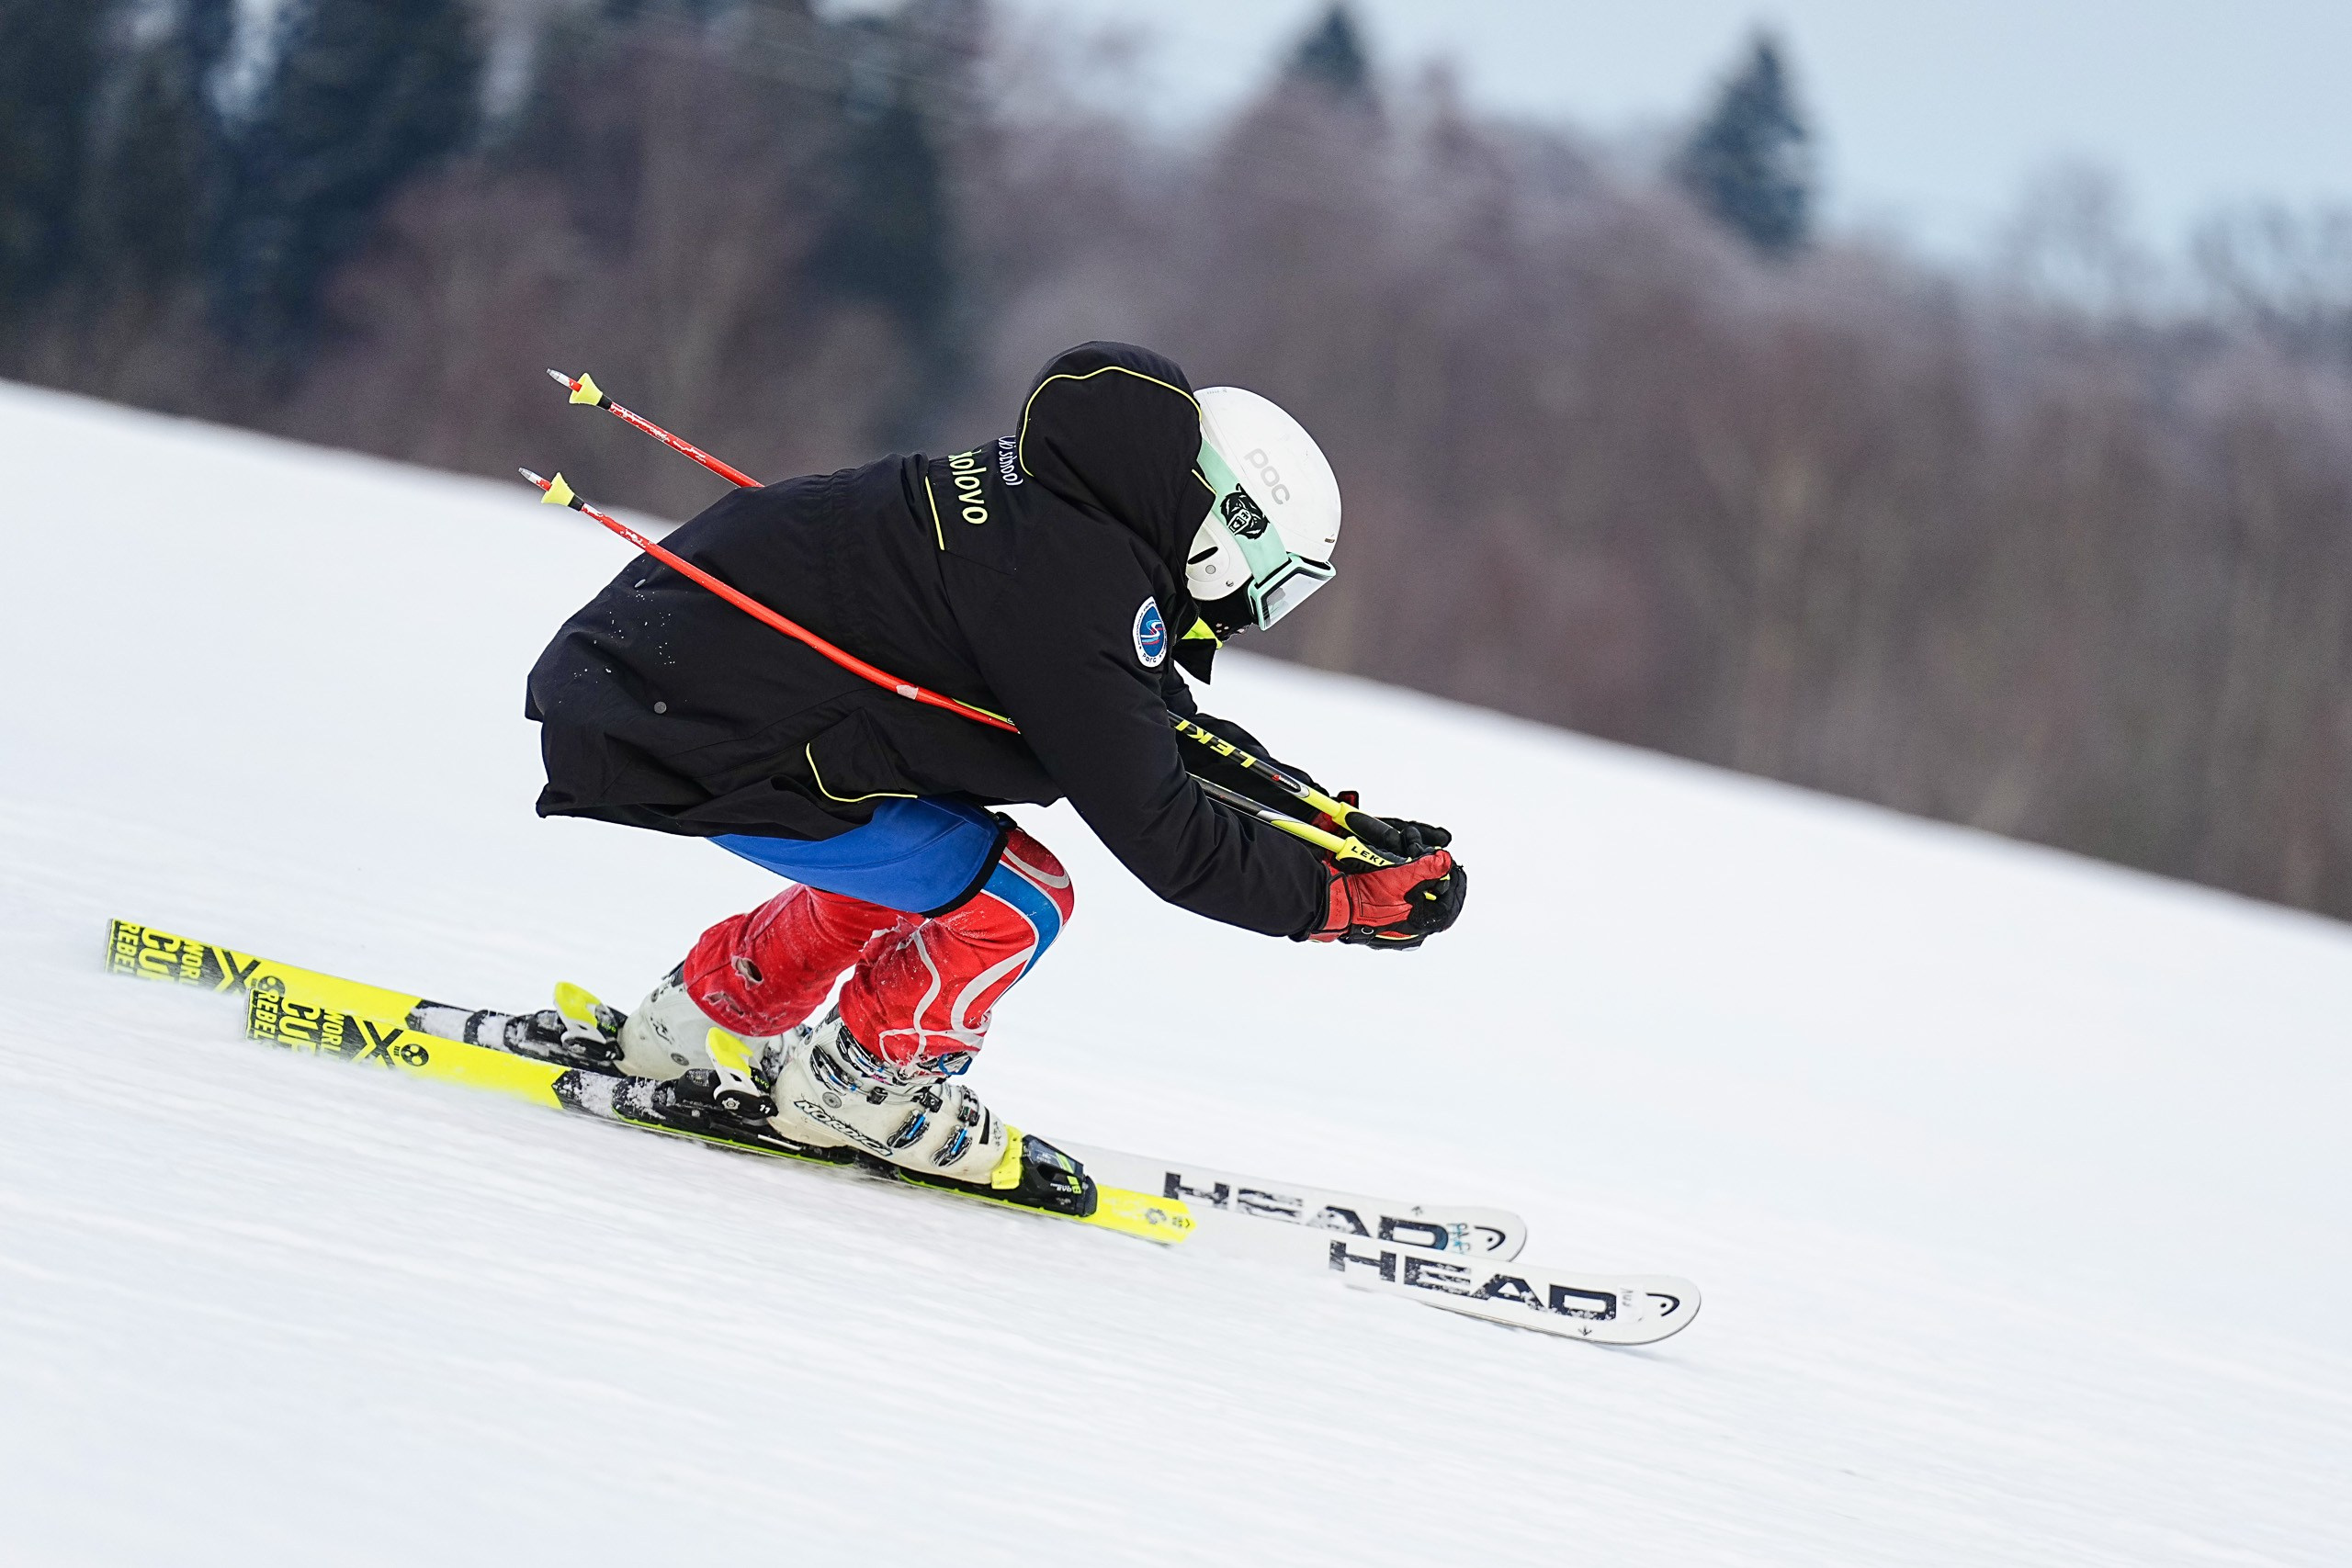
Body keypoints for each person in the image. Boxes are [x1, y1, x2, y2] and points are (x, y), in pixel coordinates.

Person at [525, 342, 1465, 1209]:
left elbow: (1156, 729)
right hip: (697, 729)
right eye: (1274, 581)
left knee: (919, 867)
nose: (1255, 610)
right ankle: (860, 1089)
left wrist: (1332, 832)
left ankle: (692, 1027)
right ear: (1229, 529)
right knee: (1023, 895)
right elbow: (1158, 822)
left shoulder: (1060, 520)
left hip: (650, 700)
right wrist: (1330, 905)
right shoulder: (1074, 591)